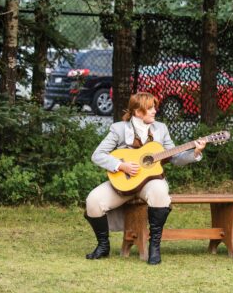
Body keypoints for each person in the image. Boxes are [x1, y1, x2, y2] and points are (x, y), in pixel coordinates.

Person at [84, 92, 206, 265]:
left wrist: (195, 152)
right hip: (124, 182)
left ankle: (154, 247)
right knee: (93, 201)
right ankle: (103, 246)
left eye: (154, 107)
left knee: (160, 192)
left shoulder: (161, 129)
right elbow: (97, 155)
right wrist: (121, 165)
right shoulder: (119, 128)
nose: (155, 111)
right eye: (150, 108)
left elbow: (174, 157)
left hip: (149, 182)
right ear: (137, 111)